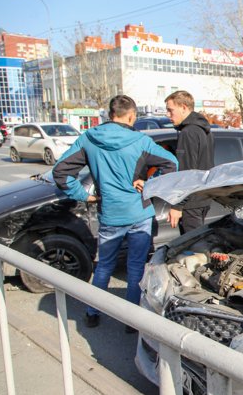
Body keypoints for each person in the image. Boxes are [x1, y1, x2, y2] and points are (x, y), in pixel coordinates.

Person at [53, 95, 178, 330]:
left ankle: (92, 312)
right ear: (131, 116)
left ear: (110, 114)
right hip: (139, 213)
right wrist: (149, 185)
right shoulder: (141, 141)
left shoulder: (89, 138)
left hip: (110, 212)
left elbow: (60, 171)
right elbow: (172, 164)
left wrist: (83, 195)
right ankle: (131, 319)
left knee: (105, 265)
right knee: (136, 267)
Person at [164, 90, 215, 234]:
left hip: (191, 202)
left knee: (192, 248)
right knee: (197, 243)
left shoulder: (189, 132)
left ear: (184, 108)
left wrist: (177, 206)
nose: (168, 115)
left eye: (170, 110)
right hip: (202, 196)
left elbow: (187, 172)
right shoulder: (203, 130)